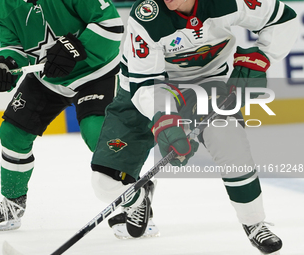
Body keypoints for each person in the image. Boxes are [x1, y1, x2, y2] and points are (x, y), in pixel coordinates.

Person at [90, 0, 298, 253]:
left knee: (229, 142)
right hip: (143, 90)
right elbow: (145, 85)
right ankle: (137, 199)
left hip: (208, 83)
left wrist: (261, 58)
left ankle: (254, 222)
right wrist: (166, 121)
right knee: (104, 185)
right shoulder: (146, 15)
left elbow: (282, 18)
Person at [0, 0, 124, 233]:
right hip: (49, 77)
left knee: (96, 131)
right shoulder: (1, 5)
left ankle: (133, 199)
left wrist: (75, 48)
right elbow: (15, 46)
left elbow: (111, 24)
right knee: (13, 132)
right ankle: (12, 205)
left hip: (97, 70)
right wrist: (5, 64)